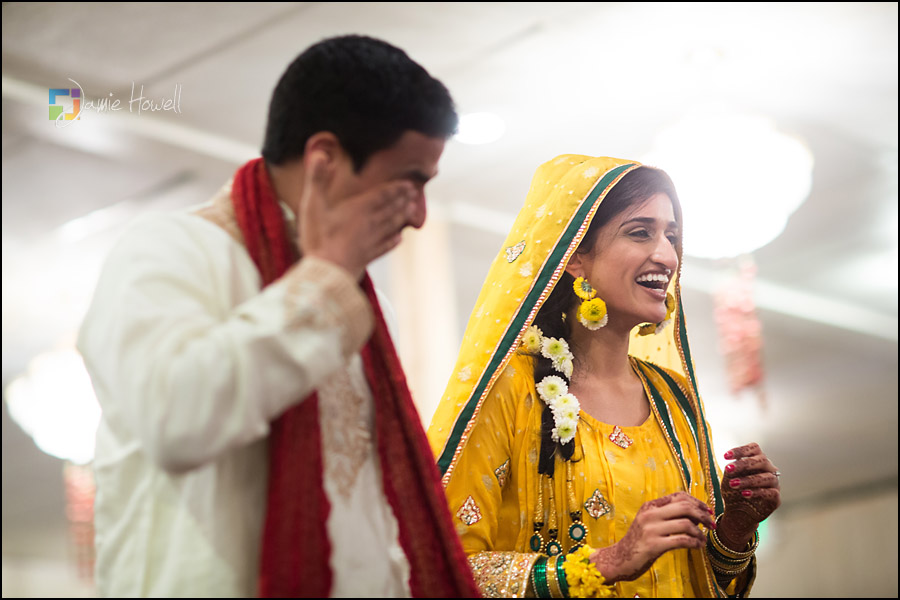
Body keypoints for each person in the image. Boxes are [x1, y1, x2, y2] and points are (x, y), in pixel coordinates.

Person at [77, 35, 479, 598]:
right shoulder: (169, 250)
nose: (418, 216)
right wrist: (325, 279)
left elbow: (369, 518)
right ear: (326, 161)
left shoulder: (357, 302)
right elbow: (175, 419)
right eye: (409, 181)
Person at [427, 155, 781, 597]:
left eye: (672, 236)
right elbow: (444, 567)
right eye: (640, 233)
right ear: (575, 257)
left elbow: (701, 579)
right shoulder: (512, 388)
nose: (667, 255)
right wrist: (609, 561)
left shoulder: (675, 399)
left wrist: (735, 529)